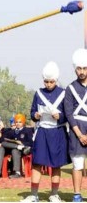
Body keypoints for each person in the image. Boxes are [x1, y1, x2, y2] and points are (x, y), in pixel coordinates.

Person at [21, 61, 70, 202]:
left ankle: (54, 193)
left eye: (51, 81)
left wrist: (59, 116)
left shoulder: (63, 93)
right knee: (37, 163)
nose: (48, 84)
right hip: (42, 131)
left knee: (56, 164)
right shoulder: (38, 93)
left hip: (57, 132)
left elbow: (68, 114)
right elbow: (32, 112)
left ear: (56, 80)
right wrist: (35, 115)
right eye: (46, 81)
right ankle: (34, 194)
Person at [64, 49, 87, 203]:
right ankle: (77, 195)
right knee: (77, 164)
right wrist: (79, 134)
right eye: (79, 68)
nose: (82, 71)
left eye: (84, 68)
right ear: (75, 69)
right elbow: (69, 113)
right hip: (76, 130)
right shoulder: (70, 88)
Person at [1, 113, 33, 179]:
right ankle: (17, 147)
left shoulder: (27, 131)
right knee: (4, 144)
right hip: (15, 148)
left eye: (20, 122)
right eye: (16, 122)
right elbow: (3, 139)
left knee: (15, 150)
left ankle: (17, 173)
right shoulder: (12, 131)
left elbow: (31, 143)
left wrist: (22, 143)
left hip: (24, 149)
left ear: (23, 123)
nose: (18, 123)